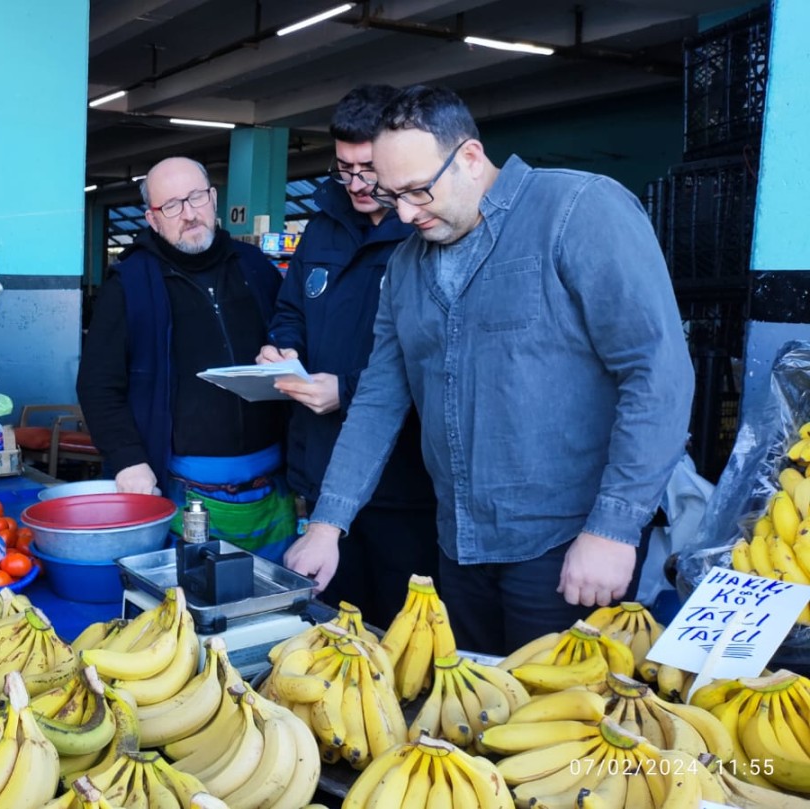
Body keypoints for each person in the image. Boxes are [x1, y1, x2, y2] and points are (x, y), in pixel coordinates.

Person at [283, 86, 693, 654]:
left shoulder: (577, 211)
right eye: (390, 194)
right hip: (457, 546)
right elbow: (378, 401)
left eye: (416, 191)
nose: (403, 213)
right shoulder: (406, 266)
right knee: (475, 720)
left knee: (557, 725)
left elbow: (657, 375)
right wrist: (328, 524)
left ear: (470, 157)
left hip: (566, 544)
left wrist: (614, 528)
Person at [257, 85, 438, 628]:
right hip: (321, 465)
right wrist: (285, 348)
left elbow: (434, 359)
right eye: (344, 169)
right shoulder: (322, 226)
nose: (357, 185)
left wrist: (348, 390)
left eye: (369, 170)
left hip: (404, 485)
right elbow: (291, 308)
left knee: (399, 629)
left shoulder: (427, 231)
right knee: (329, 622)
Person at [77, 156, 295, 560]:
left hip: (272, 485)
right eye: (171, 206)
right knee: (190, 606)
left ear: (213, 199)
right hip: (181, 483)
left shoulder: (255, 268)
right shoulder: (130, 282)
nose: (189, 214)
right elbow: (98, 383)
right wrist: (127, 460)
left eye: (196, 198)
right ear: (152, 218)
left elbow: (290, 333)